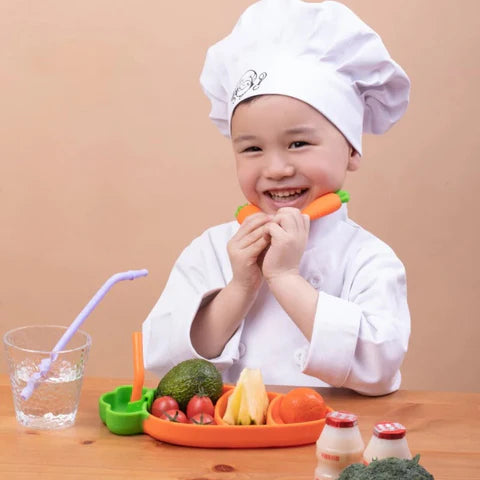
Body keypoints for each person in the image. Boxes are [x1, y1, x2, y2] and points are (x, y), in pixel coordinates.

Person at [143, 0, 411, 396]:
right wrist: (239, 287)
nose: (276, 168)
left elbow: (377, 369)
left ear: (351, 150)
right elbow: (168, 363)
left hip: (336, 444)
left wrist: (285, 278)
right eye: (252, 149)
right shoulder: (212, 251)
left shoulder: (368, 259)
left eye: (298, 143)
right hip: (230, 445)